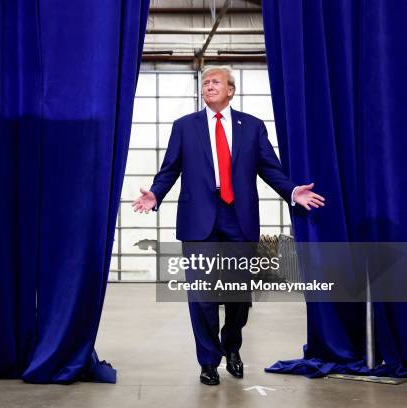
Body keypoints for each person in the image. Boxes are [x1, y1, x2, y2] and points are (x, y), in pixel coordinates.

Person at [132, 66, 325, 385]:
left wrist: (291, 191)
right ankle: (208, 360)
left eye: (215, 82)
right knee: (202, 294)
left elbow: (269, 168)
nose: (208, 86)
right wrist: (155, 193)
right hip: (198, 222)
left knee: (238, 294)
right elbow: (170, 169)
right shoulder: (184, 127)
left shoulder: (251, 126)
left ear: (231, 90)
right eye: (205, 82)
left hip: (240, 218)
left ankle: (231, 345)